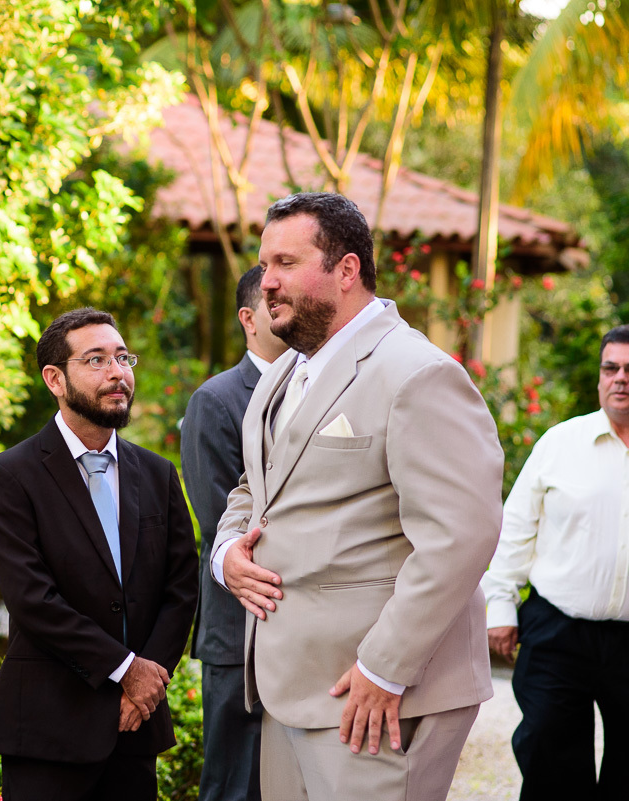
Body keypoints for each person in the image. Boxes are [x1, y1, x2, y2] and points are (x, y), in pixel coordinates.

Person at [212, 192, 504, 801]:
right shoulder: (290, 371)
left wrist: (383, 669)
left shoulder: (417, 373)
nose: (265, 283)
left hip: (374, 698)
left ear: (346, 270)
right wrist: (226, 556)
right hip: (288, 688)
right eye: (264, 265)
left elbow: (461, 537)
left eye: (285, 264)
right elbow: (254, 486)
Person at [0, 307, 199, 801]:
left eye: (123, 358)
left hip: (135, 727)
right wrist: (126, 670)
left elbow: (182, 587)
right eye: (96, 360)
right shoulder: (10, 476)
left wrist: (149, 684)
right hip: (49, 730)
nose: (118, 373)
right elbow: (32, 599)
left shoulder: (157, 473)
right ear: (55, 379)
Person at [483, 324, 629, 800]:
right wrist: (499, 610)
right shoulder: (560, 443)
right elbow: (514, 531)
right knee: (547, 754)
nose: (620, 378)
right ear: (600, 377)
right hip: (557, 634)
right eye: (610, 368)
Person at [181, 264, 289, 801]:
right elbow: (218, 515)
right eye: (271, 302)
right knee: (234, 784)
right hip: (237, 627)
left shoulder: (318, 389)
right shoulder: (216, 400)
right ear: (248, 318)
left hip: (300, 630)